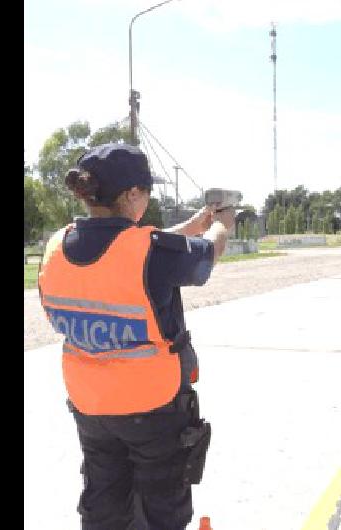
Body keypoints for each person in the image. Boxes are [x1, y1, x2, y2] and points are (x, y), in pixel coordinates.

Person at [37, 143, 235, 530]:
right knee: (164, 508)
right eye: (146, 191)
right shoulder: (149, 253)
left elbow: (134, 248)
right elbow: (206, 253)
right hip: (153, 407)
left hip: (90, 404)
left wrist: (195, 221)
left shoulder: (57, 246)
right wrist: (220, 225)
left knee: (103, 503)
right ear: (131, 194)